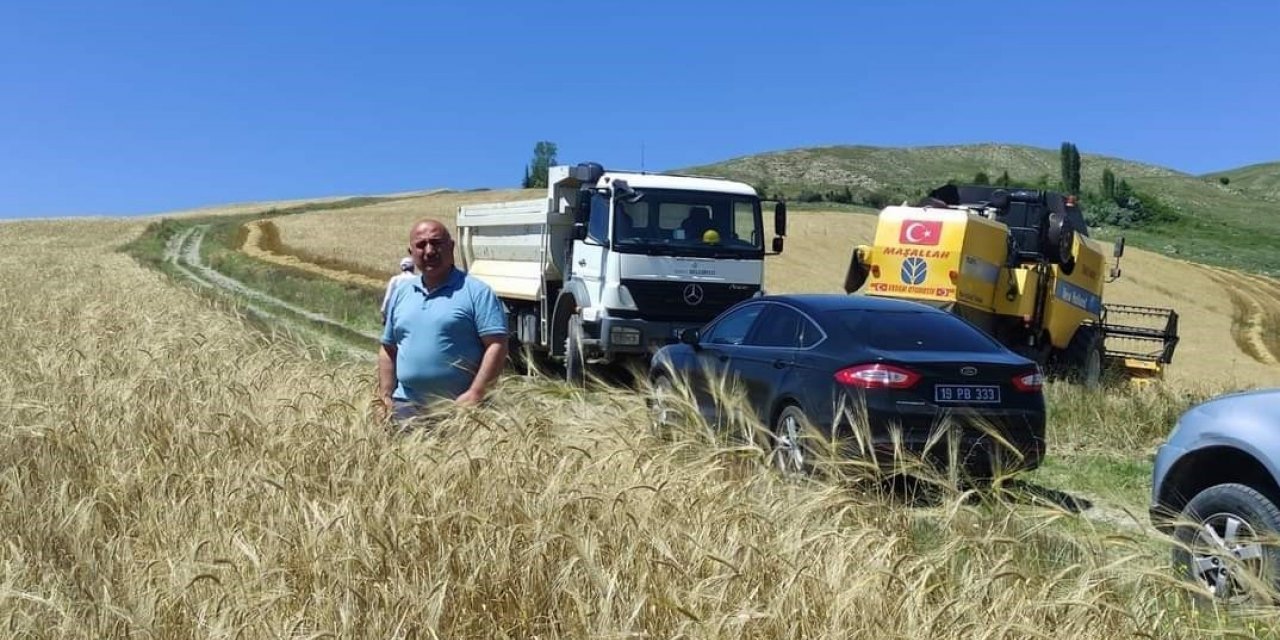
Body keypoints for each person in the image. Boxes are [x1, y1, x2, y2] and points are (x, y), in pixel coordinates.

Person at [378, 219, 508, 423]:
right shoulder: (402, 292)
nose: (429, 251)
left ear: (452, 247)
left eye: (436, 243)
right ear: (411, 252)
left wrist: (476, 393)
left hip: (459, 408)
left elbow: (497, 345)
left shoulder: (476, 292)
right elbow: (388, 348)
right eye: (421, 245)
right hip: (406, 405)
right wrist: (385, 397)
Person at [379, 256, 417, 325]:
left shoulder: (395, 279)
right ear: (413, 268)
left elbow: (388, 298)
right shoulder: (418, 280)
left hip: (397, 315)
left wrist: (384, 314)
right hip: (413, 316)